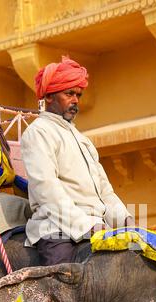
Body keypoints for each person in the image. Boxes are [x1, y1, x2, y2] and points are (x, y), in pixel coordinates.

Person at [21, 56, 134, 266]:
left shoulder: (83, 140)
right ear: (48, 97)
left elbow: (104, 192)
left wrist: (125, 220)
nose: (75, 100)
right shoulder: (38, 132)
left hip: (96, 229)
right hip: (57, 230)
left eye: (78, 95)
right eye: (69, 94)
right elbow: (47, 190)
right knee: (63, 287)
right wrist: (86, 226)